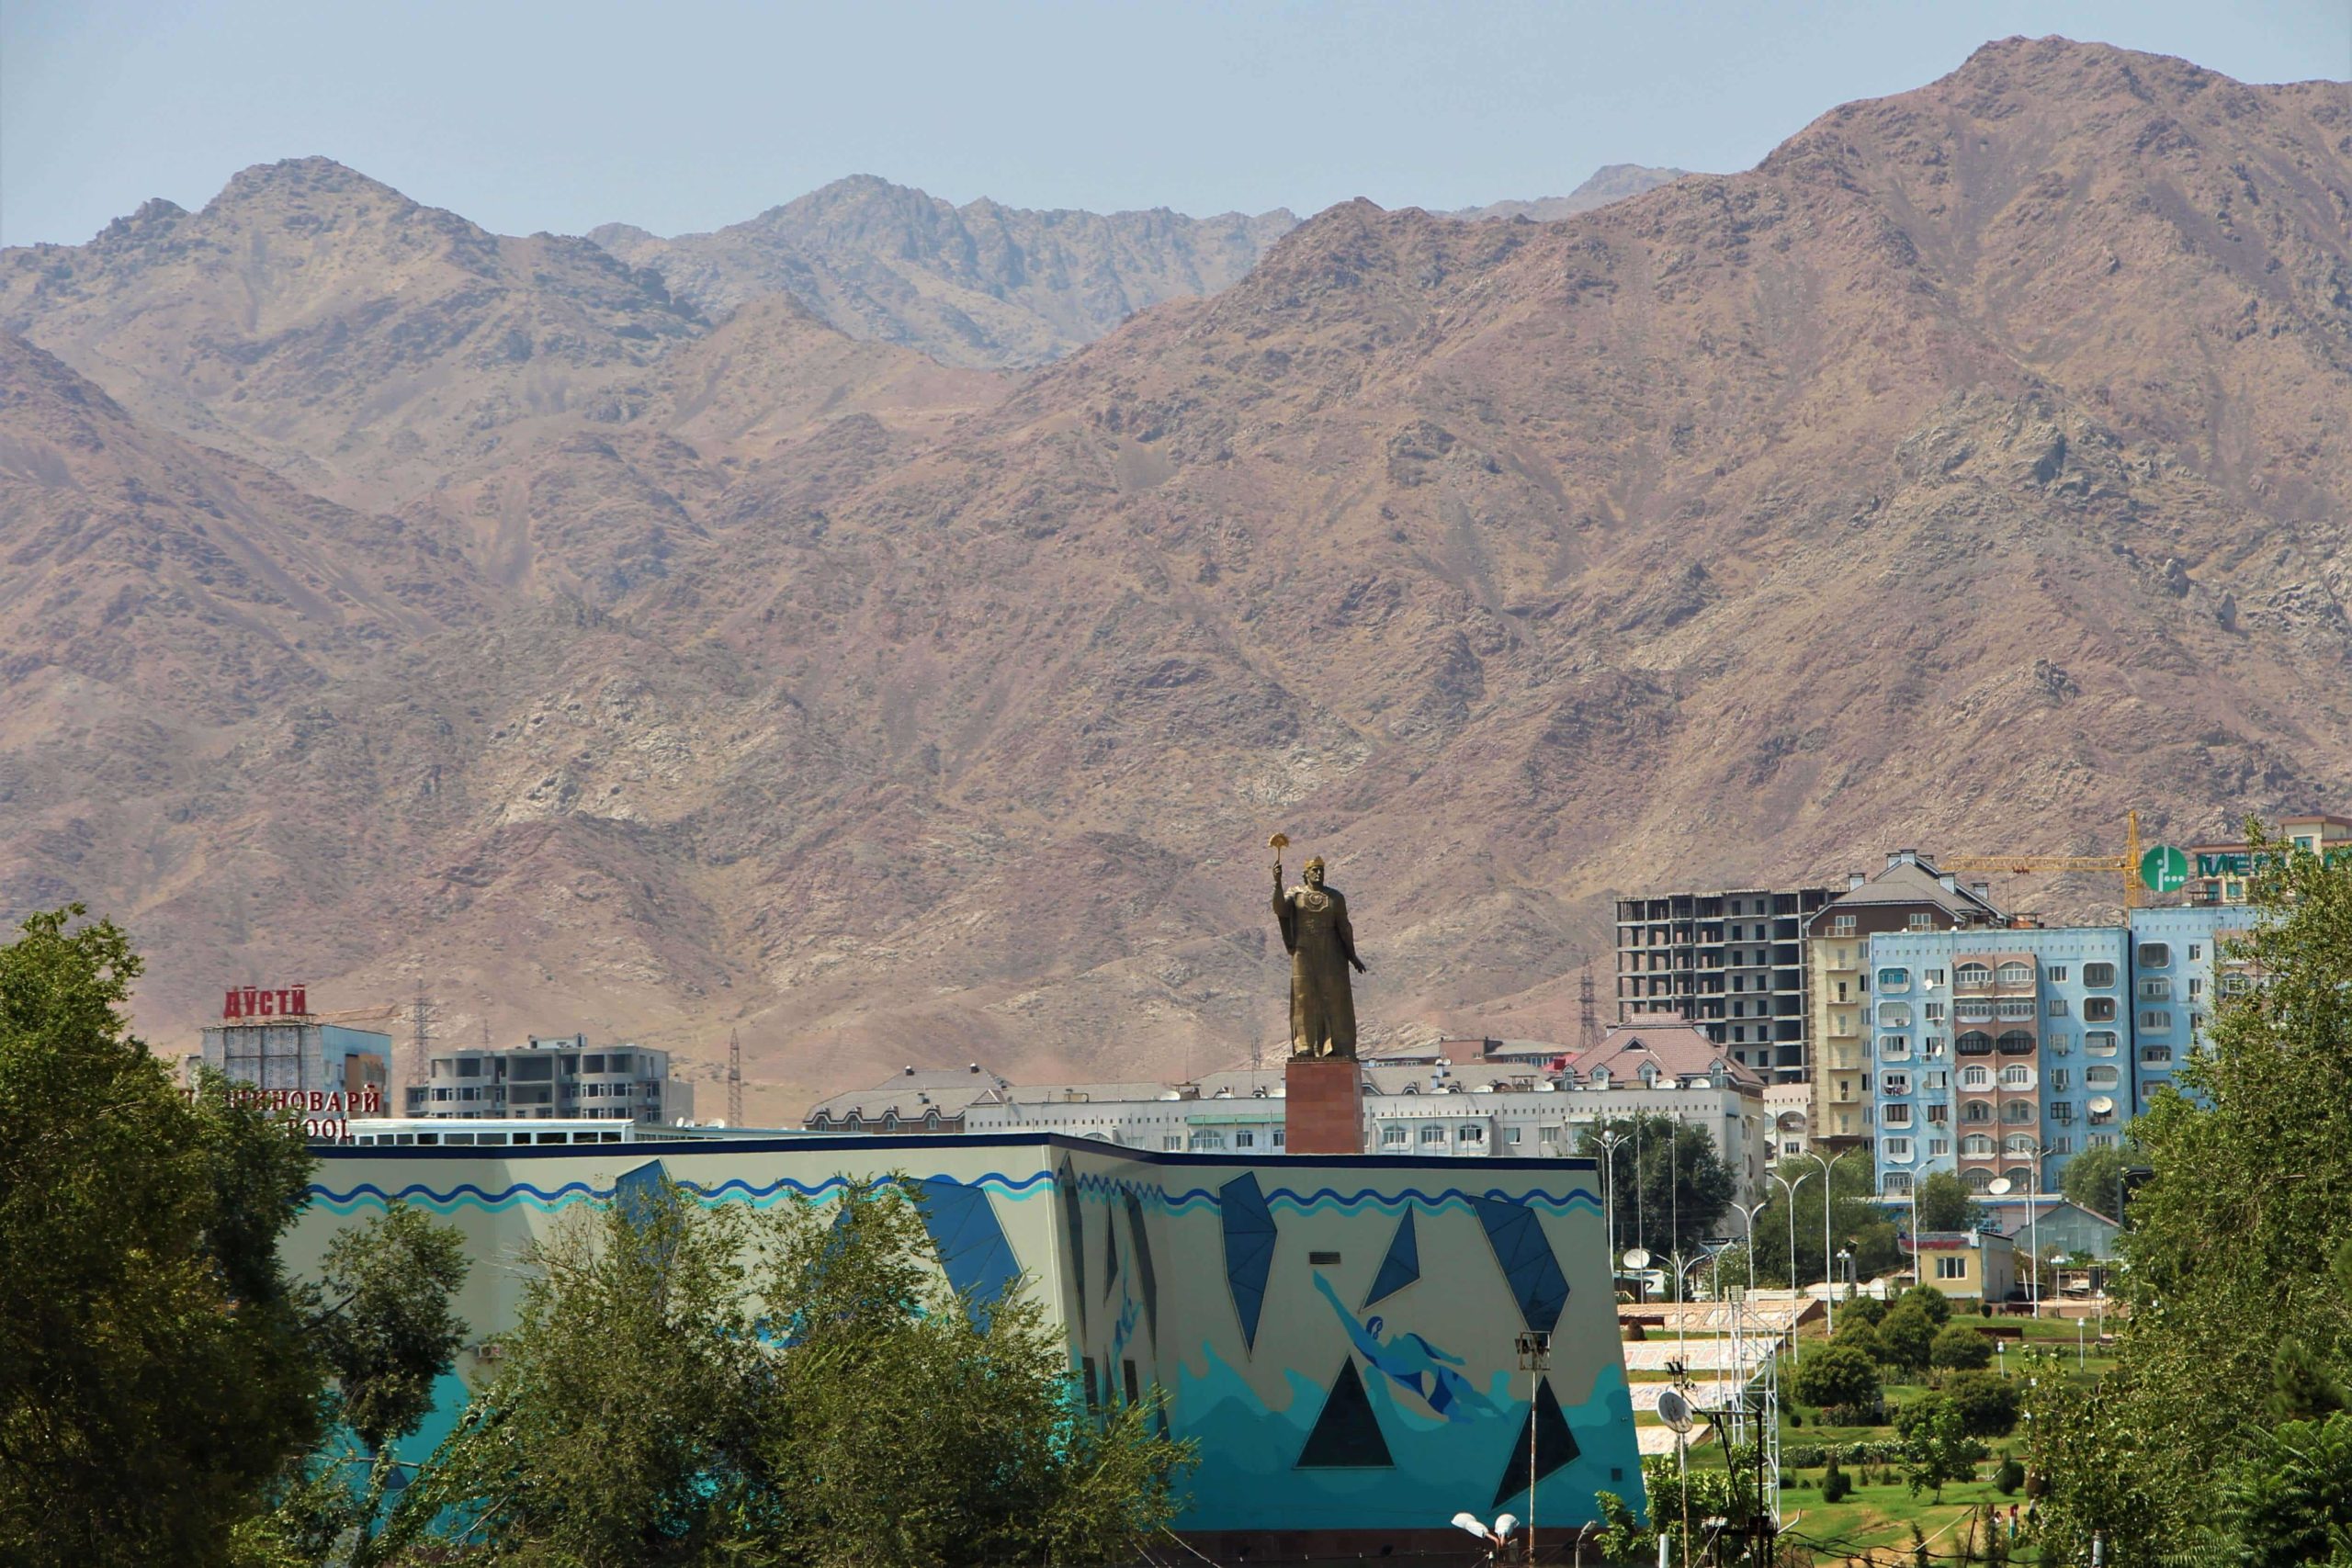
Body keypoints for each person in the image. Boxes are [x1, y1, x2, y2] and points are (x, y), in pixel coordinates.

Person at [1310, 1270, 1495, 1421]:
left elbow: (1431, 1350)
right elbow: (1353, 1328)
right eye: (1375, 1332)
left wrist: (1453, 1359)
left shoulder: (1408, 1339)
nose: (1379, 1333)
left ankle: (1495, 1414)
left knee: (1477, 1400)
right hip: (1431, 1390)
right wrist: (1329, 1293)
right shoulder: (1381, 1357)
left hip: (1443, 1374)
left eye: (1380, 1327)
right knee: (1460, 1414)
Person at [1274, 855, 1367, 1057]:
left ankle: (1334, 1046)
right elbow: (1280, 909)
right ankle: (1304, 1045)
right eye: (1314, 870)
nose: (1318, 873)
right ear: (1305, 874)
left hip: (1330, 952)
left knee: (1333, 997)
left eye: (1321, 870)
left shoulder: (1335, 897)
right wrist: (1277, 883)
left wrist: (1352, 956)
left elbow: (1344, 927)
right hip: (1303, 951)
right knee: (1303, 998)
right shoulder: (1295, 894)